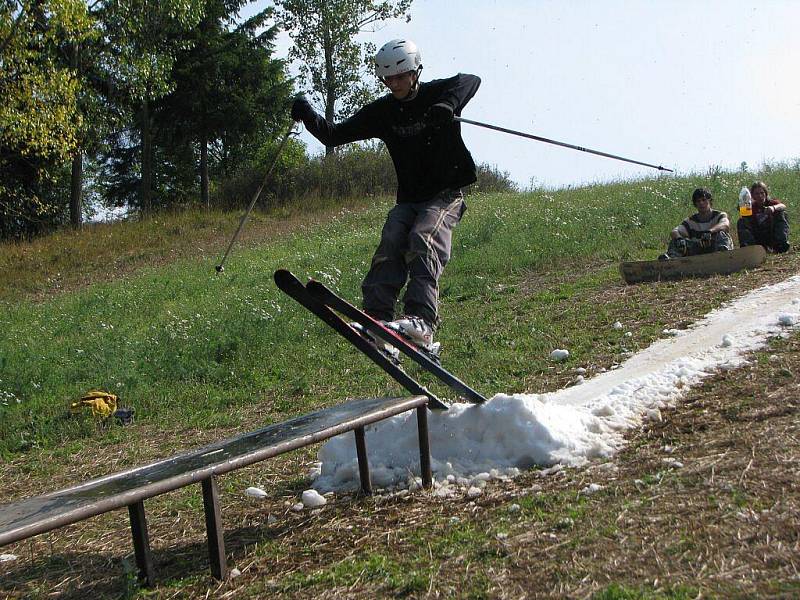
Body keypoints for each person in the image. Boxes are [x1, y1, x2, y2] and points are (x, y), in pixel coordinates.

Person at [290, 39, 480, 352]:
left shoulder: (436, 94)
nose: (395, 83)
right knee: (391, 240)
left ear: (415, 71)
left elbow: (470, 81)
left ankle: (422, 322)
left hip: (444, 195)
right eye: (388, 79)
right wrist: (308, 114)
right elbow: (333, 135)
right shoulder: (383, 112)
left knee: (424, 239)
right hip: (408, 199)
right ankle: (377, 320)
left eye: (401, 76)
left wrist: (447, 106)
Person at [659, 187, 733, 260]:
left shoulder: (719, 215)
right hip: (697, 250)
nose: (701, 203)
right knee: (676, 241)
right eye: (698, 201)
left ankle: (724, 256)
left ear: (710, 201)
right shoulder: (690, 221)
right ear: (695, 204)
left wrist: (710, 231)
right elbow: (675, 231)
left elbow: (725, 225)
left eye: (704, 200)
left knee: (722, 234)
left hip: (715, 247)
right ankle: (670, 261)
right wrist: (679, 238)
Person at [737, 181, 789, 253]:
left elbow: (783, 206)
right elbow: (741, 212)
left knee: (781, 213)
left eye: (762, 193)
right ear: (753, 196)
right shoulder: (751, 207)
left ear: (765, 193)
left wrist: (773, 208)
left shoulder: (771, 203)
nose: (760, 196)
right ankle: (749, 249)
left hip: (772, 235)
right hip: (759, 236)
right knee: (742, 221)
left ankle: (781, 245)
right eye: (757, 194)